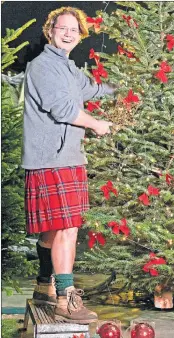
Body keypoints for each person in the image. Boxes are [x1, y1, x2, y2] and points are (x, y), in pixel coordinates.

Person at [22, 7, 114, 324]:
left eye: (75, 29)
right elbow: (62, 109)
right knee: (67, 227)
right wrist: (96, 124)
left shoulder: (70, 69)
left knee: (54, 227)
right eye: (63, 27)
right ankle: (65, 298)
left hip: (68, 157)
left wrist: (130, 88)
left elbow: (95, 89)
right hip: (51, 159)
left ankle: (44, 284)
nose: (69, 33)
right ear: (51, 30)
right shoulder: (43, 66)